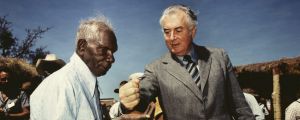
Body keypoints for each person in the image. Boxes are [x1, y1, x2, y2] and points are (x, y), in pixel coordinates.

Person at [119, 4, 254, 119]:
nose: (172, 37)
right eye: (167, 32)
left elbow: (240, 107)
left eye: (178, 30)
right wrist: (129, 99)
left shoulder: (219, 57)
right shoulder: (155, 68)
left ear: (192, 31)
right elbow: (142, 95)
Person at [30, 16, 118, 120]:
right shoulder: (65, 84)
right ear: (82, 46)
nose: (112, 59)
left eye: (113, 52)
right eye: (104, 50)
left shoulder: (83, 84)